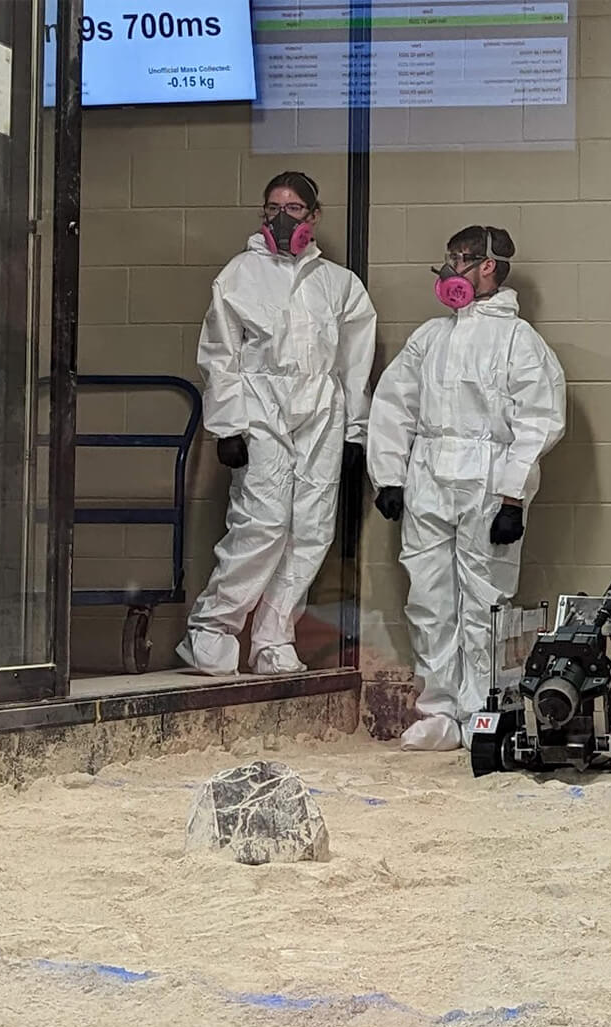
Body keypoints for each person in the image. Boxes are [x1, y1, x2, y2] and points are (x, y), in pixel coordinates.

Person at [369, 226, 566, 751]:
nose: (449, 268)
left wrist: (512, 497)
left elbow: (538, 423)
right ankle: (438, 710)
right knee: (429, 599)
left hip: (486, 480)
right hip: (428, 478)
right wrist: (388, 474)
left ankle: (484, 709)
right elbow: (394, 405)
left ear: (489, 267)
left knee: (485, 602)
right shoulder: (430, 338)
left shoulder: (520, 343)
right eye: (450, 257)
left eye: (462, 259)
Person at [177, 171, 377, 677]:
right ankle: (213, 629)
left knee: (310, 529)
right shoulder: (240, 274)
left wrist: (356, 430)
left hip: (322, 410)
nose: (282, 218)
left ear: (314, 216)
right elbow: (219, 355)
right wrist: (226, 426)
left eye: (293, 209)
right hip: (260, 404)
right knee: (262, 522)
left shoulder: (340, 284)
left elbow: (356, 363)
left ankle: (274, 638)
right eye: (273, 208)